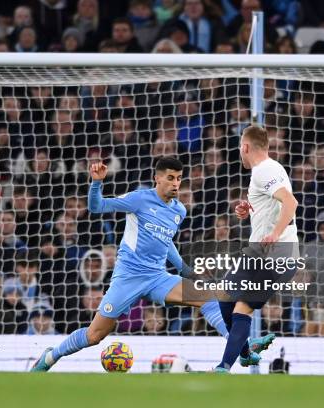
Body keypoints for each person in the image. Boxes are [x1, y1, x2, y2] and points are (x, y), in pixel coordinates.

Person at [31, 157, 230, 371]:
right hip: (128, 277)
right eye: (170, 178)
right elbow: (97, 207)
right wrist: (96, 182)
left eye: (179, 179)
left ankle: (241, 348)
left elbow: (166, 240)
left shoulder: (179, 211)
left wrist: (187, 271)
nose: (175, 183)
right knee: (94, 335)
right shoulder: (138, 199)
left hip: (157, 277)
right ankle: (51, 356)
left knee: (207, 298)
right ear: (157, 178)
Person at [215, 125, 299, 372]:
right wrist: (248, 208)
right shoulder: (268, 170)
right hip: (258, 254)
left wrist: (274, 233)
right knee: (224, 296)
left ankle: (223, 367)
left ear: (245, 147)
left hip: (277, 255)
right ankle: (246, 351)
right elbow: (272, 204)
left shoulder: (265, 170)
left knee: (242, 307)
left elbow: (290, 202)